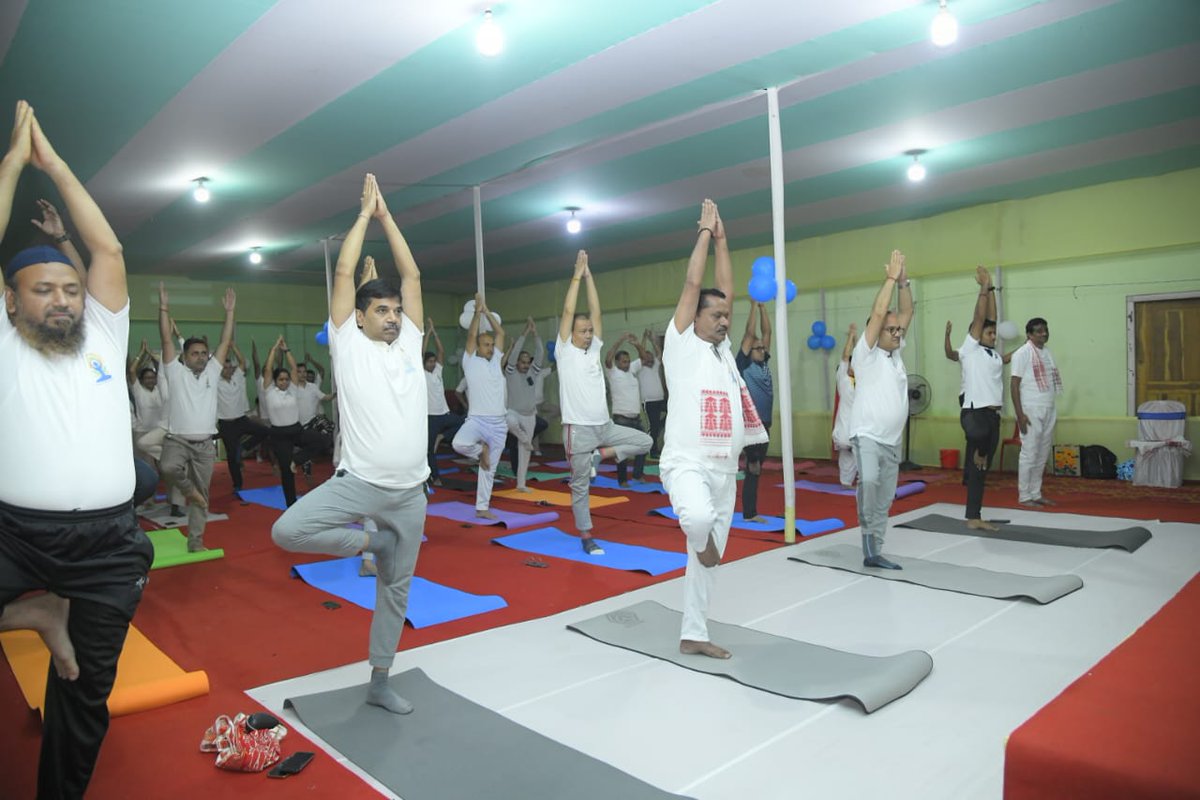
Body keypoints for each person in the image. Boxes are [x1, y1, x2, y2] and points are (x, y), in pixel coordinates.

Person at [0, 100, 153, 798]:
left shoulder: (102, 336)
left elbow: (109, 253)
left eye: (68, 289)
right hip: (16, 537)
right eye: (44, 290)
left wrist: (56, 166)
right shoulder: (5, 343)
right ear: (12, 301)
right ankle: (34, 609)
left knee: (87, 696)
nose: (62, 299)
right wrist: (12, 164)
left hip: (107, 544)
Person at [272, 174, 429, 715]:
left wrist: (390, 219)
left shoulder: (409, 342)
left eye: (395, 310)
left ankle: (381, 680)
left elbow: (411, 273)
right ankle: (372, 545)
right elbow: (343, 270)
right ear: (358, 317)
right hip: (359, 487)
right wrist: (365, 216)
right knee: (287, 529)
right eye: (380, 311)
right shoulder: (348, 345)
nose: (391, 317)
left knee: (396, 592)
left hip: (411, 494)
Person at [659, 200, 767, 659]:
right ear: (694, 318)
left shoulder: (722, 351)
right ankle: (700, 542)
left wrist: (725, 240)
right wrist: (704, 234)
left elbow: (725, 289)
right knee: (698, 525)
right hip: (686, 463)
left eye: (726, 317)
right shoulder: (681, 343)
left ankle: (694, 633)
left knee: (706, 567)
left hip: (726, 471)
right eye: (715, 316)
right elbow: (694, 284)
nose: (724, 321)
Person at [555, 250, 652, 554]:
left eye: (589, 332)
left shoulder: (594, 348)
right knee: (580, 485)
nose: (587, 335)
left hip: (605, 427)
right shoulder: (564, 351)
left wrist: (590, 277)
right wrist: (575, 276)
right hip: (579, 431)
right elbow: (569, 310)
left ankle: (603, 455)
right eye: (582, 332)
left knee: (646, 442)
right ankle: (586, 536)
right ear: (570, 333)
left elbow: (596, 313)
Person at [157, 281, 236, 552]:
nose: (201, 357)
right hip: (177, 440)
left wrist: (229, 313)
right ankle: (186, 490)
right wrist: (164, 308)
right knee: (168, 467)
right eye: (195, 353)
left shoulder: (213, 372)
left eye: (204, 353)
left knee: (202, 498)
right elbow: (166, 339)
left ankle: (196, 542)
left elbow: (226, 341)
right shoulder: (175, 372)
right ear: (185, 356)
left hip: (205, 445)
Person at [849, 249, 914, 570]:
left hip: (892, 440)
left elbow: (907, 311)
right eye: (892, 330)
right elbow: (878, 314)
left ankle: (874, 551)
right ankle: (867, 536)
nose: (898, 332)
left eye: (899, 329)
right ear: (875, 334)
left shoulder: (896, 355)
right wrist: (889, 279)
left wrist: (904, 283)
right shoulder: (866, 354)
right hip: (868, 435)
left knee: (885, 497)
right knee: (870, 481)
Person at [452, 295, 508, 519]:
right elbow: (472, 334)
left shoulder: (496, 360)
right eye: (486, 345)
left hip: (499, 423)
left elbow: (501, 333)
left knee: (489, 470)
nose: (491, 348)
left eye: (492, 345)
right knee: (459, 443)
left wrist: (487, 312)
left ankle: (482, 508)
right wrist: (477, 313)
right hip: (477, 420)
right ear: (477, 348)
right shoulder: (469, 361)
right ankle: (479, 451)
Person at [958, 267, 1006, 530]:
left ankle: (974, 516)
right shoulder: (970, 350)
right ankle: (973, 517)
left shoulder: (993, 354)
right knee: (978, 460)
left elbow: (992, 319)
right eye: (988, 334)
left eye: (993, 333)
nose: (993, 335)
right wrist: (983, 288)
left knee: (981, 469)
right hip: (975, 415)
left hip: (992, 417)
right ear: (976, 335)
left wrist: (993, 287)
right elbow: (981, 317)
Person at [260, 337, 319, 507]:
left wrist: (286, 351)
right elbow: (269, 370)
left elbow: (294, 368)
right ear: (275, 381)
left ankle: (297, 460)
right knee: (287, 473)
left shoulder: (293, 390)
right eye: (281, 379)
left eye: (286, 379)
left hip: (296, 430)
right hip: (279, 435)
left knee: (321, 440)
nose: (285, 382)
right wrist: (273, 350)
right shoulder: (269, 391)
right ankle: (291, 504)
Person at [1010, 317, 1061, 507]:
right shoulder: (1022, 353)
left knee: (1042, 454)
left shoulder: (1047, 352)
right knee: (1029, 453)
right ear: (1029, 335)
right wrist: (1020, 415)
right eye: (1039, 331)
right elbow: (1014, 385)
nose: (1044, 333)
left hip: (1048, 407)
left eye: (1045, 330)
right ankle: (1024, 496)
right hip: (1030, 409)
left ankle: (1036, 493)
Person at [735, 301, 773, 521]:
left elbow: (767, 331)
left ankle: (751, 511)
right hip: (750, 425)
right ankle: (749, 513)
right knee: (753, 467)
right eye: (758, 348)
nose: (762, 350)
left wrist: (762, 307)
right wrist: (751, 307)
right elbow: (750, 334)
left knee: (757, 470)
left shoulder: (764, 362)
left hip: (765, 423)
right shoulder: (744, 364)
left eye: (763, 348)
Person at [217, 342, 269, 499]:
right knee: (232, 458)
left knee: (265, 432)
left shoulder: (237, 377)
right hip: (226, 424)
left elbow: (242, 362)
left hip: (241, 419)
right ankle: (237, 484)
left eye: (229, 367)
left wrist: (233, 347)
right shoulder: (214, 382)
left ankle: (244, 446)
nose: (228, 370)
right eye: (224, 368)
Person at [504, 316, 547, 492]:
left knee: (525, 453)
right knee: (509, 421)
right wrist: (524, 333)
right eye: (522, 362)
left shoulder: (533, 373)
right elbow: (513, 356)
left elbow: (540, 353)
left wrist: (535, 333)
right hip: (514, 412)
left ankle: (521, 484)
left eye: (526, 362)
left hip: (530, 415)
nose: (524, 364)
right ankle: (523, 438)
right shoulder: (510, 372)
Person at [422, 314, 463, 486]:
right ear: (424, 363)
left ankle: (443, 436)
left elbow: (441, 352)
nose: (432, 363)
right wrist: (427, 334)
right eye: (429, 361)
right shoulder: (420, 373)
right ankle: (435, 477)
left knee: (465, 421)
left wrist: (435, 331)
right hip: (431, 417)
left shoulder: (438, 372)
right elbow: (421, 352)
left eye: (433, 361)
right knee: (429, 451)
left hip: (444, 414)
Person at [605, 331, 649, 486]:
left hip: (635, 418)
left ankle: (637, 475)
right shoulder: (612, 372)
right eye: (623, 361)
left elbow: (644, 358)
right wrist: (620, 340)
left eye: (628, 361)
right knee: (621, 450)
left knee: (644, 444)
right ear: (617, 362)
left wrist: (637, 344)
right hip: (621, 419)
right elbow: (608, 357)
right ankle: (622, 480)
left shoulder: (632, 370)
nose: (626, 363)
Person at [832, 323, 858, 488]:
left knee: (859, 456)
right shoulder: (843, 378)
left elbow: (858, 354)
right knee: (847, 454)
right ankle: (845, 482)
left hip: (860, 425)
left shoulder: (862, 381)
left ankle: (858, 482)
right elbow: (845, 355)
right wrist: (851, 336)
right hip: (845, 427)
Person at [638, 328, 667, 458]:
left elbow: (659, 353)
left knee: (675, 411)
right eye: (647, 357)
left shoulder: (655, 366)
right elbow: (641, 352)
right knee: (653, 428)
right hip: (649, 402)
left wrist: (652, 340)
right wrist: (644, 339)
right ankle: (652, 450)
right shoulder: (640, 368)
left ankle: (660, 425)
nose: (650, 358)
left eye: (651, 357)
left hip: (660, 400)